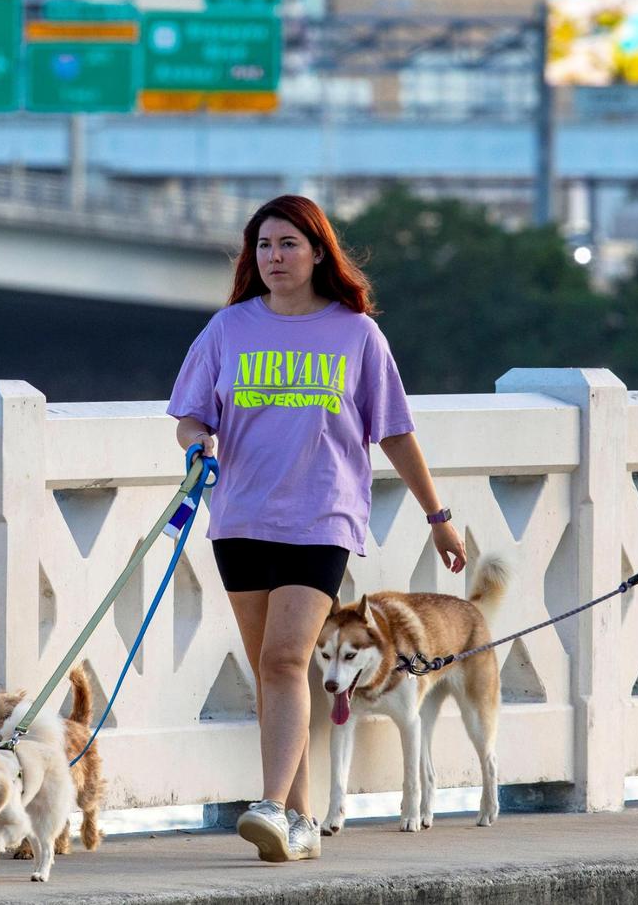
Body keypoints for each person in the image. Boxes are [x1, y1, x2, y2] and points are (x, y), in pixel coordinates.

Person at [167, 194, 466, 862]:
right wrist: (200, 441)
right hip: (240, 516)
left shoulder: (356, 334)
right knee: (274, 672)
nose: (274, 258)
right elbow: (188, 414)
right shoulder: (227, 330)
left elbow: (394, 431)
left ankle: (271, 806)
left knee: (286, 660)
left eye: (289, 245)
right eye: (264, 247)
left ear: (318, 253)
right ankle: (299, 823)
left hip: (322, 518)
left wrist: (437, 516)